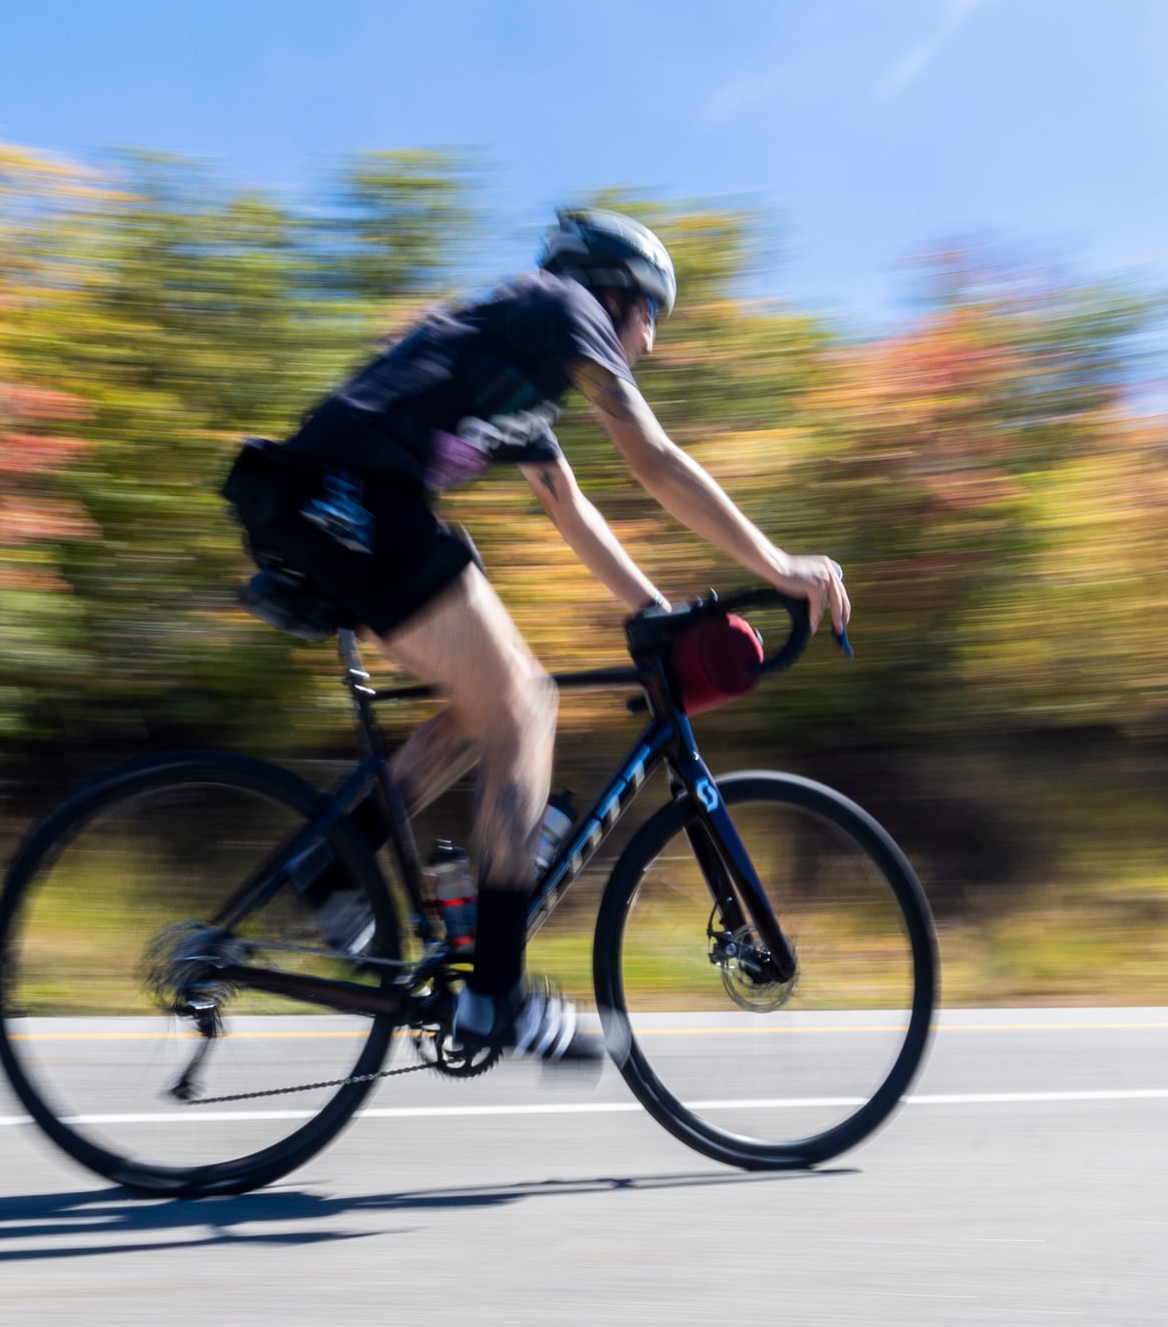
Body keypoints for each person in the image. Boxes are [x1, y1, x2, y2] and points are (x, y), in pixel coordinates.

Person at [223, 209, 853, 1063]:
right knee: (527, 705)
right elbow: (653, 459)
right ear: (614, 294)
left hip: (342, 509)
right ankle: (497, 996)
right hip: (349, 505)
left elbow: (570, 507)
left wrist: (658, 613)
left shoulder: (524, 369)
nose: (651, 343)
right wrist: (780, 565)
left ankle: (332, 870)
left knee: (486, 709)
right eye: (651, 316)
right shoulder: (561, 308)